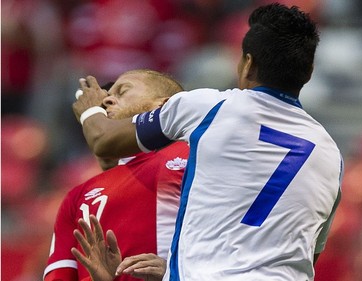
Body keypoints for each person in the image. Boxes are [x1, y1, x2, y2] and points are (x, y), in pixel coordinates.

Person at [72, 3, 344, 281]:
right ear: (308, 72)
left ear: (247, 64)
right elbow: (305, 254)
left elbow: (103, 139)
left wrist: (91, 108)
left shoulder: (210, 107)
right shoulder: (331, 155)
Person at [44, 69, 189, 281]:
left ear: (163, 106)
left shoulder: (194, 156)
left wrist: (175, 273)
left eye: (122, 91)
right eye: (105, 100)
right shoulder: (77, 197)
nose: (108, 100)